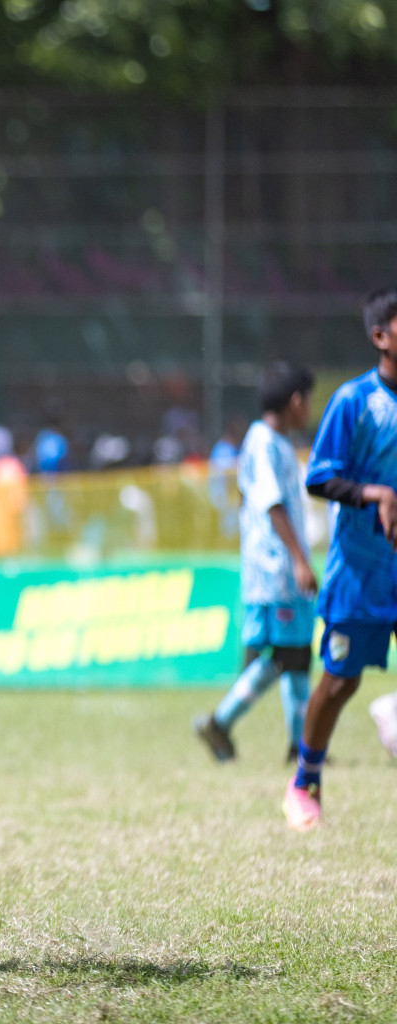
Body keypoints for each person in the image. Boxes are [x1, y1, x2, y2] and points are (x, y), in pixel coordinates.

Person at [284, 288, 397, 830]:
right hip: (359, 571)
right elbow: (319, 477)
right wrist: (376, 494)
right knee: (339, 681)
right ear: (381, 338)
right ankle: (305, 780)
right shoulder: (355, 401)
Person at [192, 363, 316, 764]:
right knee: (286, 656)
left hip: (273, 567)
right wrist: (299, 559)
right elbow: (272, 504)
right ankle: (221, 722)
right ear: (296, 401)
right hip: (277, 570)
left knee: (295, 655)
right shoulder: (264, 442)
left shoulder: (271, 441)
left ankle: (300, 745)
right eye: (308, 400)